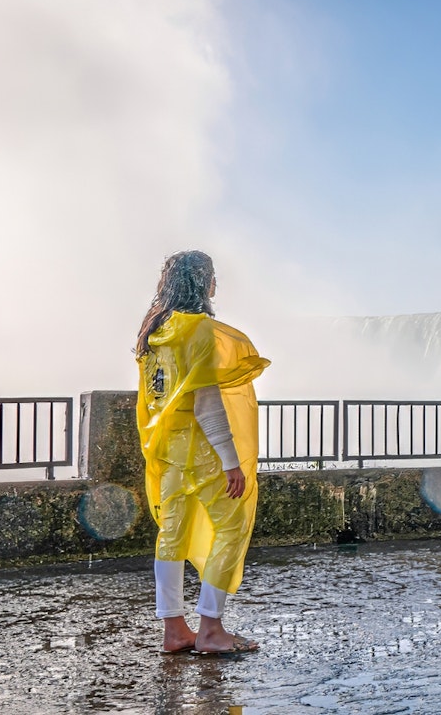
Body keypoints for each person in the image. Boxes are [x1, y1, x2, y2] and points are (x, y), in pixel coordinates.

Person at [135, 250, 270, 655]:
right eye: (211, 277)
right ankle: (211, 628)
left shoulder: (153, 332)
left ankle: (174, 631)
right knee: (232, 527)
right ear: (201, 283)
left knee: (171, 536)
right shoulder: (200, 332)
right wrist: (232, 463)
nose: (215, 284)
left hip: (168, 450)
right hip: (204, 453)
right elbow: (207, 406)